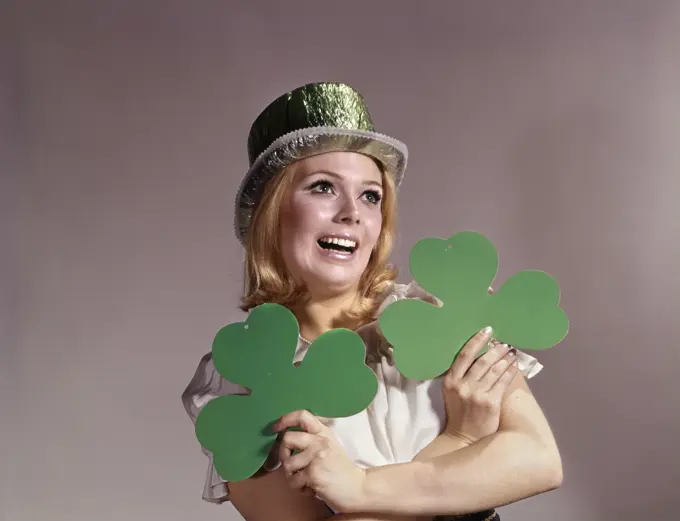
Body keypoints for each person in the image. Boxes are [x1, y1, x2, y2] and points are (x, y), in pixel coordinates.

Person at [181, 82, 563, 521]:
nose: (352, 213)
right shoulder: (244, 381)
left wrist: (360, 491)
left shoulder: (436, 313)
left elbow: (539, 460)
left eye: (371, 195)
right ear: (272, 211)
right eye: (323, 187)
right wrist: (460, 440)